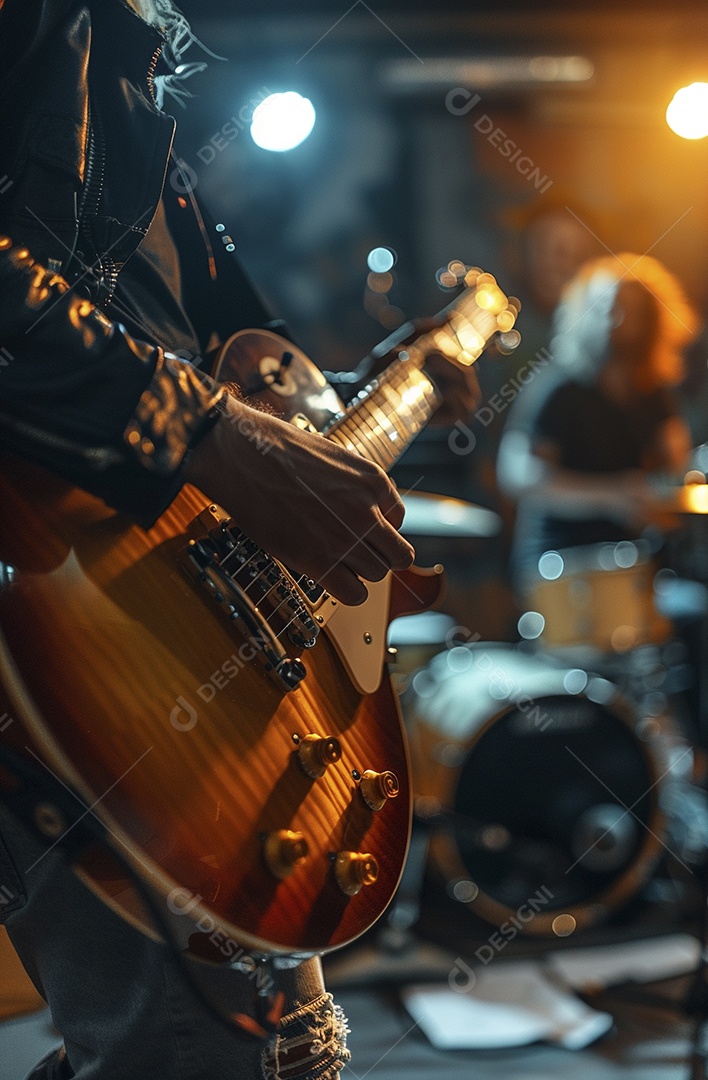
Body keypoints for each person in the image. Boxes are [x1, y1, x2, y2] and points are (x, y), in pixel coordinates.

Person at [0, 2, 480, 1078]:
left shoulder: (128, 67)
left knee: (248, 1052)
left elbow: (198, 360)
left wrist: (365, 400)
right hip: (63, 593)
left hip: (183, 608)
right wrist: (203, 431)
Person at [497, 253, 699, 588]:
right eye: (613, 308)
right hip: (561, 563)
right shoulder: (560, 389)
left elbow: (677, 464)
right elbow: (518, 475)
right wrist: (611, 496)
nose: (622, 321)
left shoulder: (654, 394)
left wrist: (667, 493)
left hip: (636, 562)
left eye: (635, 312)